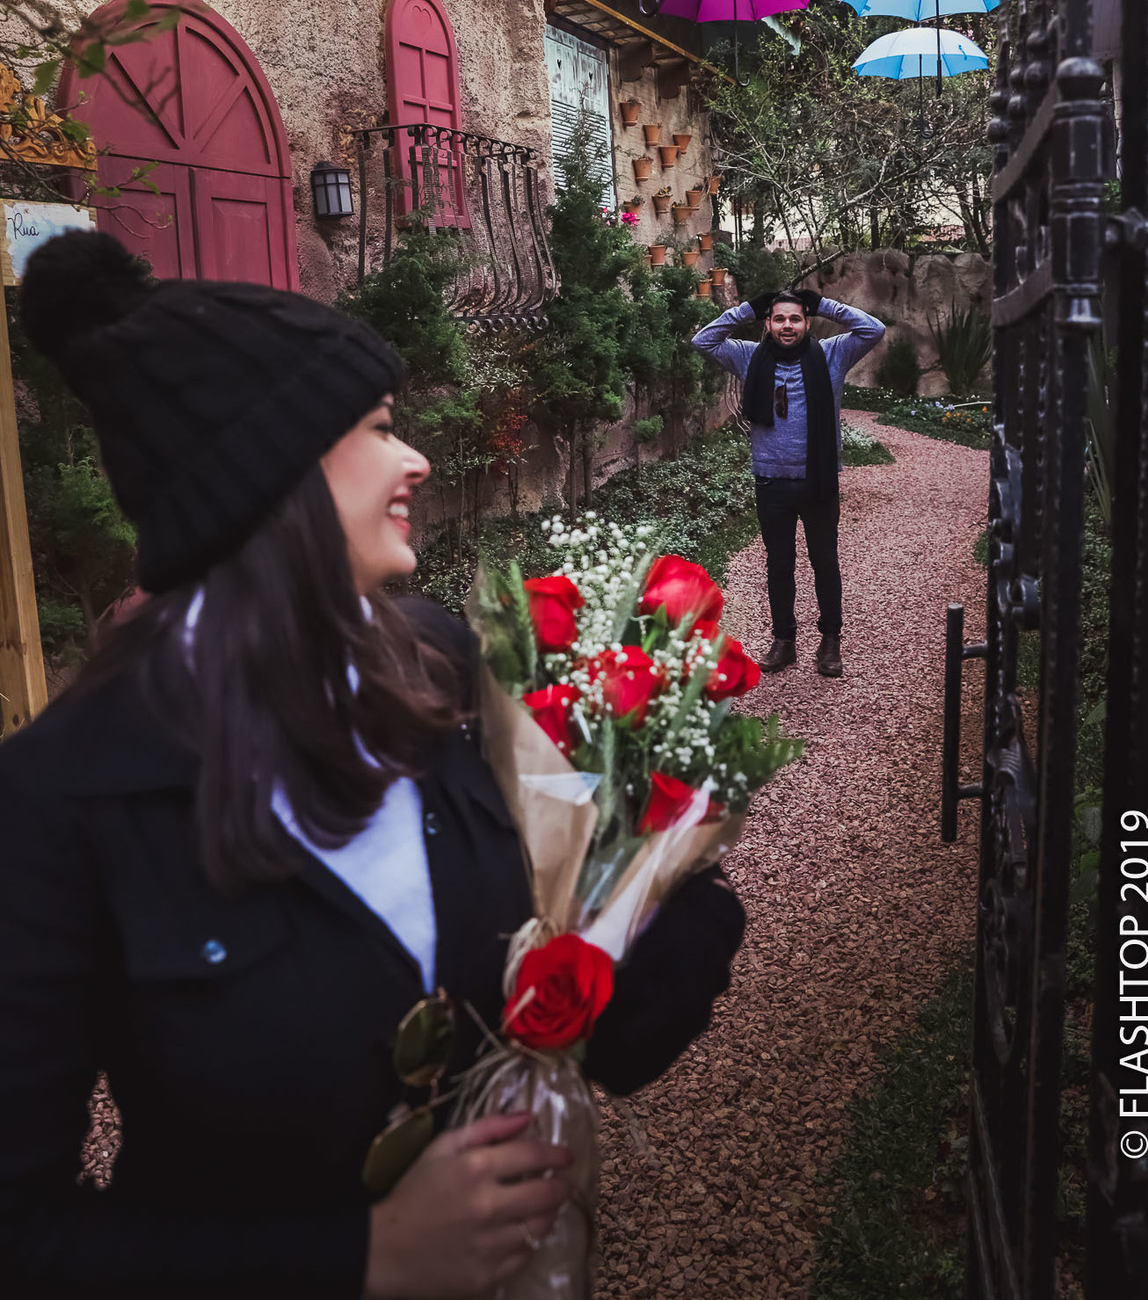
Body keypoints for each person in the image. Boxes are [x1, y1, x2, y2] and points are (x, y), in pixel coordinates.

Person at [0, 231, 744, 1300]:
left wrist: (669, 862)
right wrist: (364, 1262)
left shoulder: (438, 658)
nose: (418, 460)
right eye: (380, 430)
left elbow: (595, 941)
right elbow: (21, 1238)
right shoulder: (58, 801)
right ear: (265, 469)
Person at [692, 285, 885, 677]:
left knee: (824, 562)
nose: (787, 325)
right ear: (768, 322)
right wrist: (746, 307)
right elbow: (703, 340)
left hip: (817, 481)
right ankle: (784, 641)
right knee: (779, 564)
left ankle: (830, 641)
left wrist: (825, 302)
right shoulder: (749, 357)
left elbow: (873, 330)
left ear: (807, 322)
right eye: (779, 318)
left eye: (795, 318)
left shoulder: (831, 354)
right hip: (771, 481)